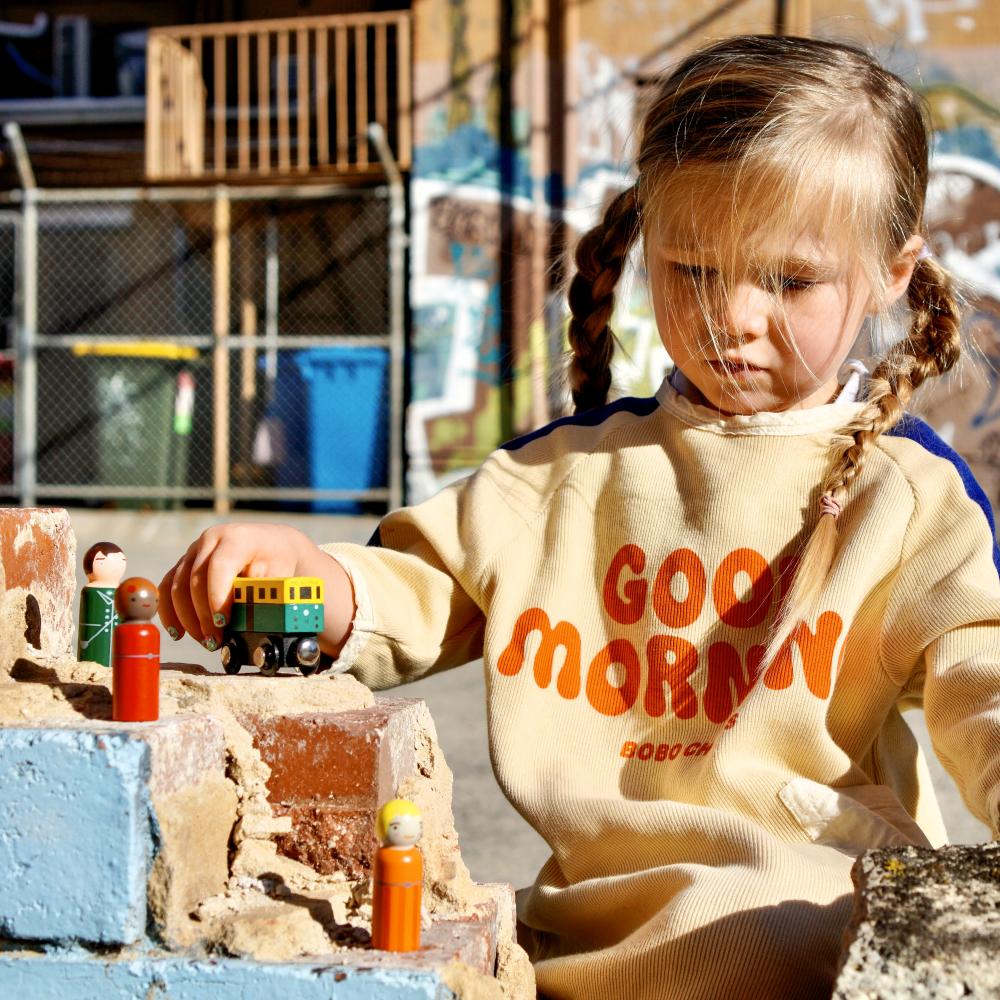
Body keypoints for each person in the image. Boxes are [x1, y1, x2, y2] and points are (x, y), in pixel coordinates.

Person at [158, 34, 1000, 999]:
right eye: (691, 269)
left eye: (788, 279)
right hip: (574, 929)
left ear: (895, 272)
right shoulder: (562, 475)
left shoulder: (910, 497)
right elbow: (425, 588)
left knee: (769, 928)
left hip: (807, 913)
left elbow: (986, 684)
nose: (732, 316)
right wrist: (307, 574)